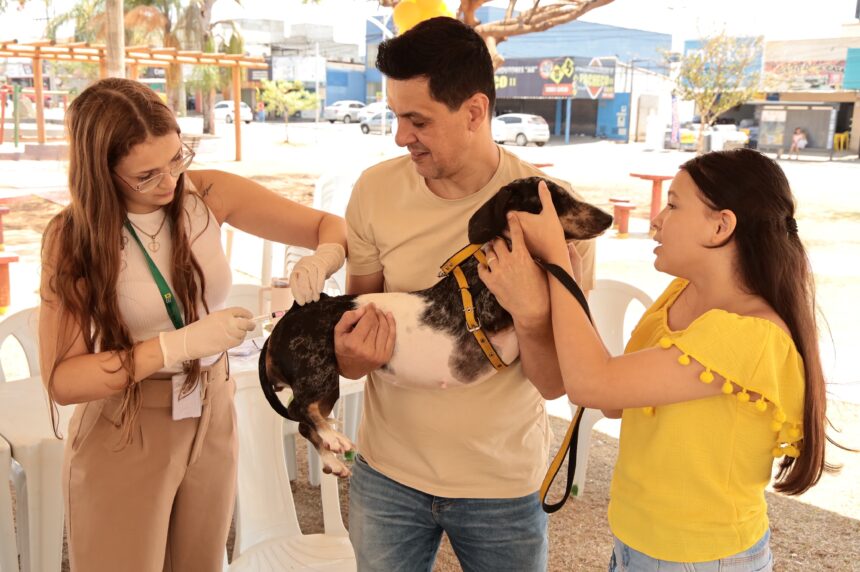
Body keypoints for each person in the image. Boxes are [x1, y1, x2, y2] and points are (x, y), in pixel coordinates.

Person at [38, 77, 348, 572]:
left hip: (212, 406)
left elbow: (326, 226)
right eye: (146, 175)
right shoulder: (74, 238)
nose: (169, 182)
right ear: (102, 172)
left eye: (176, 158)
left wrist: (324, 256)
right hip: (128, 419)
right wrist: (173, 346)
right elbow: (64, 380)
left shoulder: (208, 193)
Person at [481, 148, 829, 570]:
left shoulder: (750, 334)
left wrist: (557, 262)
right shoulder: (680, 296)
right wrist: (552, 288)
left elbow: (593, 385)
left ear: (721, 226)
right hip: (636, 544)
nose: (657, 220)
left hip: (700, 559)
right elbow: (609, 399)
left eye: (674, 205)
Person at [333, 16, 596, 571]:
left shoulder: (551, 213)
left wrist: (530, 310)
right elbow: (356, 322)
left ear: (475, 111)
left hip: (501, 485)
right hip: (387, 475)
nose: (401, 136)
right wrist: (350, 358)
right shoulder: (374, 191)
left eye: (418, 120)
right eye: (396, 116)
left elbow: (556, 382)